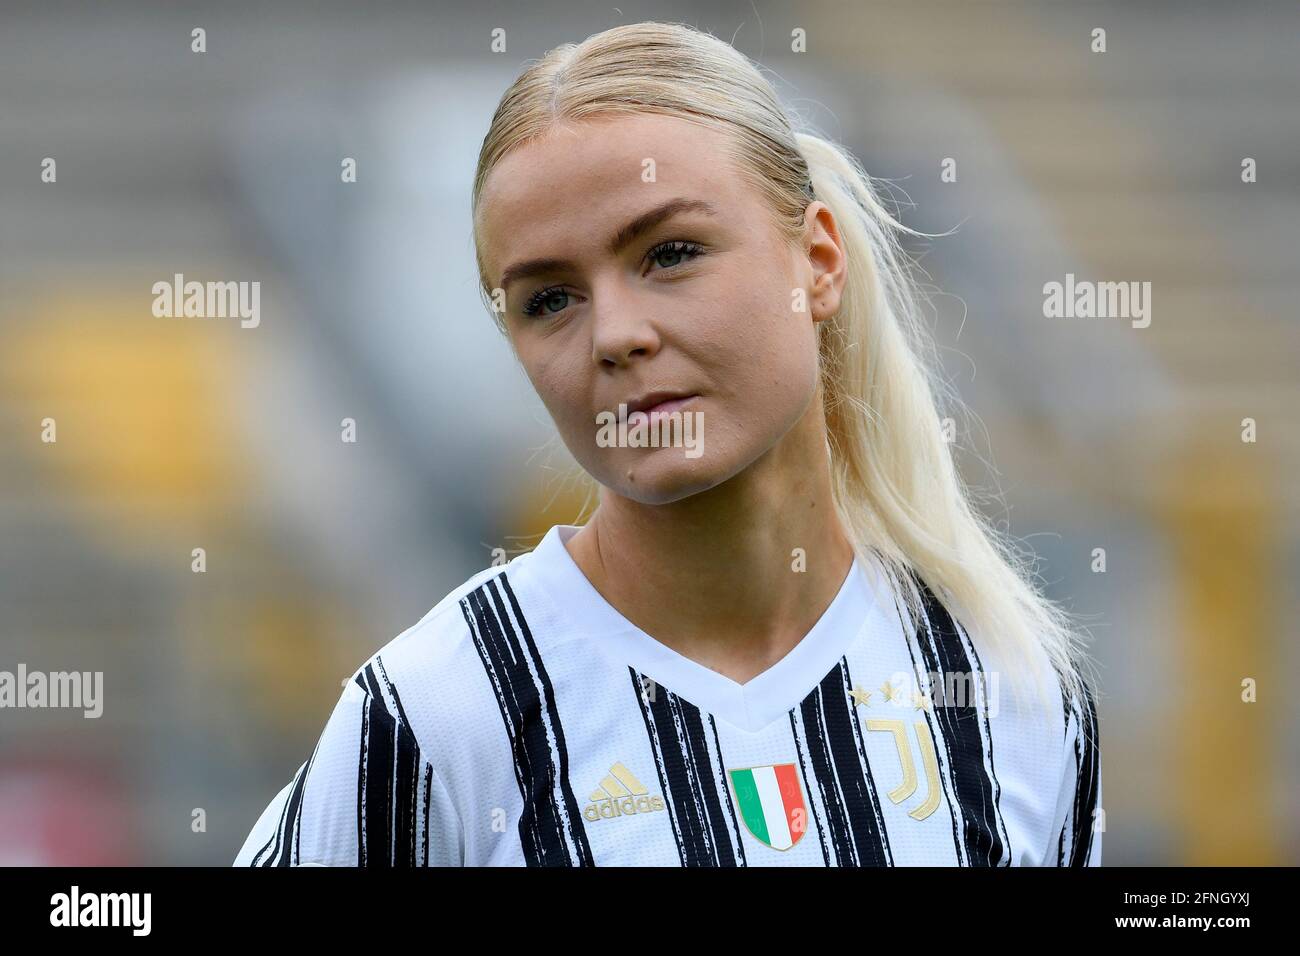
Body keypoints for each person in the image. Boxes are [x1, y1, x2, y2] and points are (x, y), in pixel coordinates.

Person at [235, 20, 1101, 867]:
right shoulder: (438, 715)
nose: (615, 333)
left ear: (819, 262)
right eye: (548, 300)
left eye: (671, 252)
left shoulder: (1005, 688)